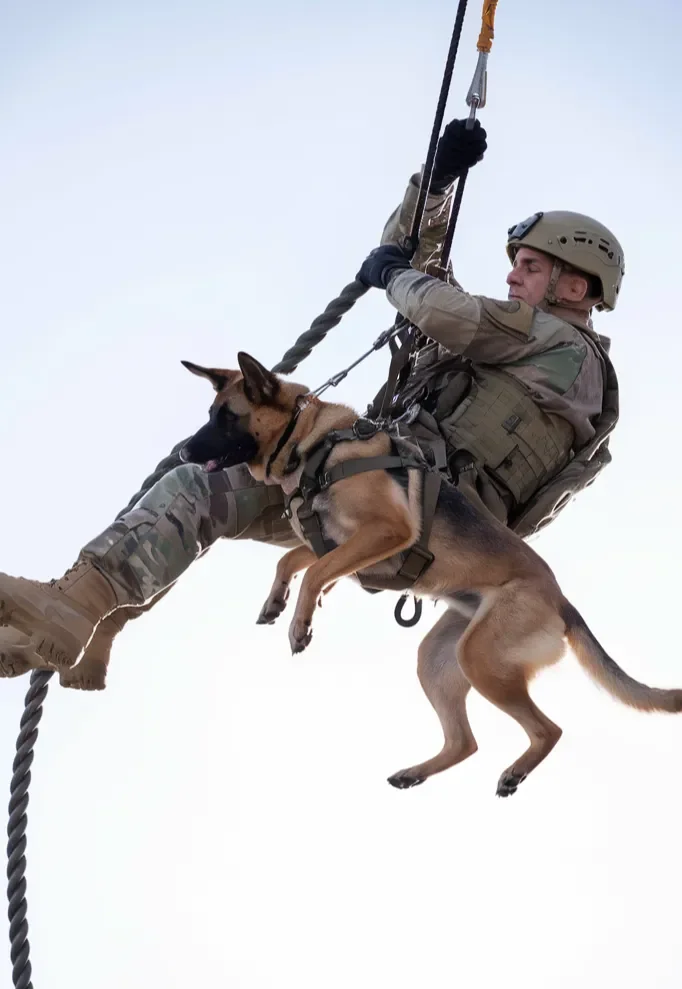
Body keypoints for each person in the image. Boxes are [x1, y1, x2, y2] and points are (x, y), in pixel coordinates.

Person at [0, 119, 623, 690]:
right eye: (515, 264)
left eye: (530, 266)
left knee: (211, 482)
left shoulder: (565, 352)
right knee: (206, 487)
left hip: (420, 507)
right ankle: (80, 612)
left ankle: (80, 609)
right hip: (376, 491)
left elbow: (431, 300)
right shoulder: (504, 338)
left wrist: (395, 279)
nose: (513, 277)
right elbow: (418, 260)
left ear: (576, 286)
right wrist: (435, 183)